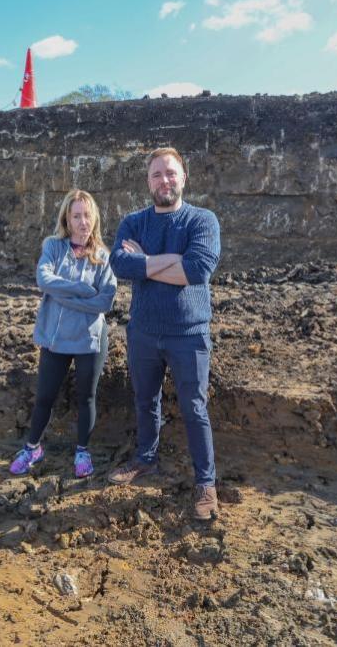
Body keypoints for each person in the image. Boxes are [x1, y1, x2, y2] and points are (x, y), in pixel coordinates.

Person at [107, 147, 222, 521]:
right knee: (145, 399)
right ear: (148, 181)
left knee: (194, 407)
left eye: (171, 173)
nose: (164, 181)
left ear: (183, 177)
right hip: (143, 331)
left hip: (188, 333)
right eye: (157, 175)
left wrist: (145, 263)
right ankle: (145, 458)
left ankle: (206, 482)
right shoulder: (134, 222)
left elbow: (198, 271)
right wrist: (171, 261)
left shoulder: (202, 221)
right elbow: (120, 263)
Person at [10, 189, 117, 478]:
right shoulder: (54, 247)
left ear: (94, 218)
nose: (83, 222)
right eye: (76, 215)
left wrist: (62, 294)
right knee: (45, 396)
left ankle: (83, 451)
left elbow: (106, 301)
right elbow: (44, 279)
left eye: (87, 215)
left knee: (87, 397)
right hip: (55, 339)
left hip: (89, 339)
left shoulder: (103, 256)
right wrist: (83, 291)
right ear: (67, 220)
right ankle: (32, 447)